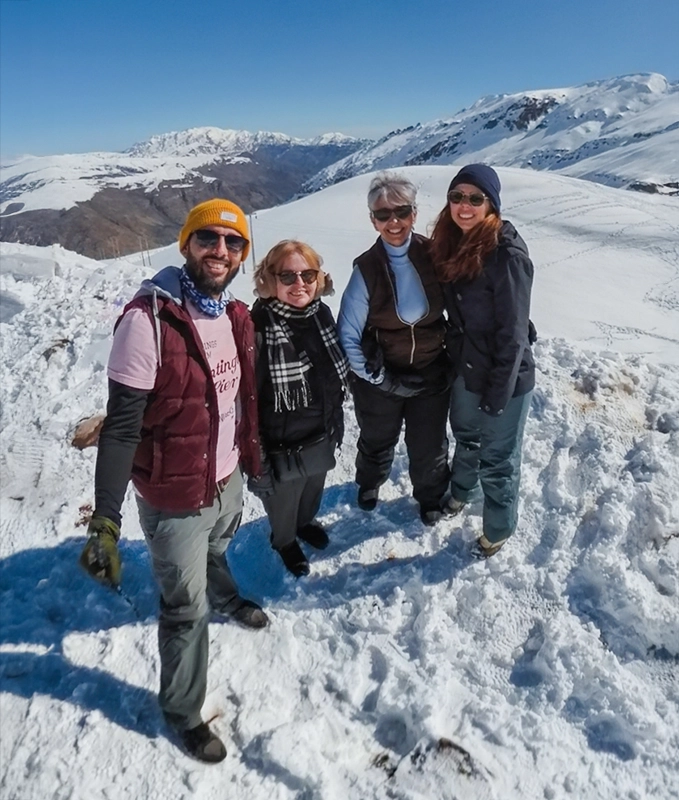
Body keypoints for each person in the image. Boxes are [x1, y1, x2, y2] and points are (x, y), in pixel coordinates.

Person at [79, 198, 269, 764]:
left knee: (220, 544)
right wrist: (107, 521)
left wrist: (252, 460)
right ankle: (183, 713)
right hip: (174, 493)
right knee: (184, 607)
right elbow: (120, 430)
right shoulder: (147, 321)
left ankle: (227, 595)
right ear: (186, 244)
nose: (220, 251)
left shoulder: (235, 315)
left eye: (233, 242)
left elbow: (238, 402)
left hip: (224, 478)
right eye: (207, 239)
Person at [429, 164, 536, 557]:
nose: (464, 206)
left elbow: (513, 334)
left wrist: (499, 394)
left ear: (491, 204)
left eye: (476, 198)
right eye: (457, 197)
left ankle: (498, 529)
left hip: (503, 377)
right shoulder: (452, 242)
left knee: (498, 458)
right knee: (467, 437)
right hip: (466, 367)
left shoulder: (506, 254)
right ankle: (461, 492)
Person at [338, 172, 451, 526]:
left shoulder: (434, 255)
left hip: (431, 371)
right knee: (376, 437)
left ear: (414, 214)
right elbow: (348, 334)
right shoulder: (366, 270)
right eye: (383, 215)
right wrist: (379, 379)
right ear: (373, 221)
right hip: (382, 375)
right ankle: (370, 482)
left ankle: (430, 496)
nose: (394, 222)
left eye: (401, 212)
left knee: (430, 443)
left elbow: (466, 299)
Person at [248, 241, 348, 577]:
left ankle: (305, 523)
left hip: (320, 432)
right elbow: (247, 400)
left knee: (311, 493)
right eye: (287, 276)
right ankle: (284, 540)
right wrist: (258, 459)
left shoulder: (320, 315)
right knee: (282, 503)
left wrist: (335, 423)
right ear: (269, 280)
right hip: (281, 445)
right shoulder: (258, 327)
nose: (299, 283)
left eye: (307, 274)